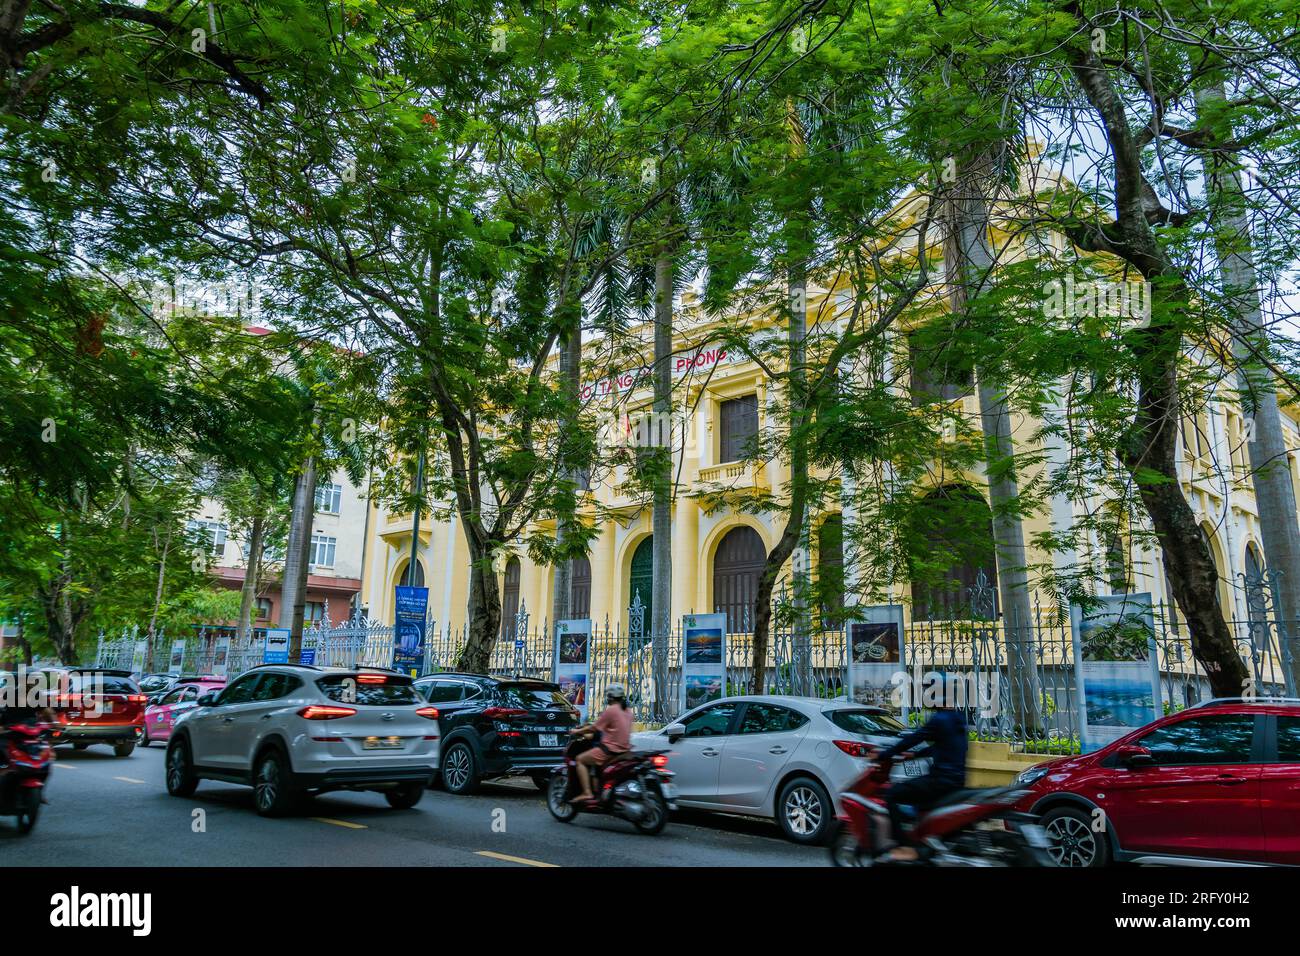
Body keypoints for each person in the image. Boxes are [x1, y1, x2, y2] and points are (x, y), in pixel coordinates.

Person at [874, 694, 968, 861]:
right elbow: (940, 747)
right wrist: (914, 755)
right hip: (957, 781)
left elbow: (914, 738)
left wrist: (883, 755)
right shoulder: (958, 718)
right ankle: (925, 841)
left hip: (940, 780)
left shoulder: (940, 719)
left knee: (892, 795)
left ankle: (906, 847)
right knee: (918, 800)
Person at [569, 684, 633, 803]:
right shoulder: (628, 711)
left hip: (610, 750)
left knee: (580, 759)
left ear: (610, 697)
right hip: (625, 750)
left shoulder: (611, 710)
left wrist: (576, 731)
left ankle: (587, 792)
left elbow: (594, 728)